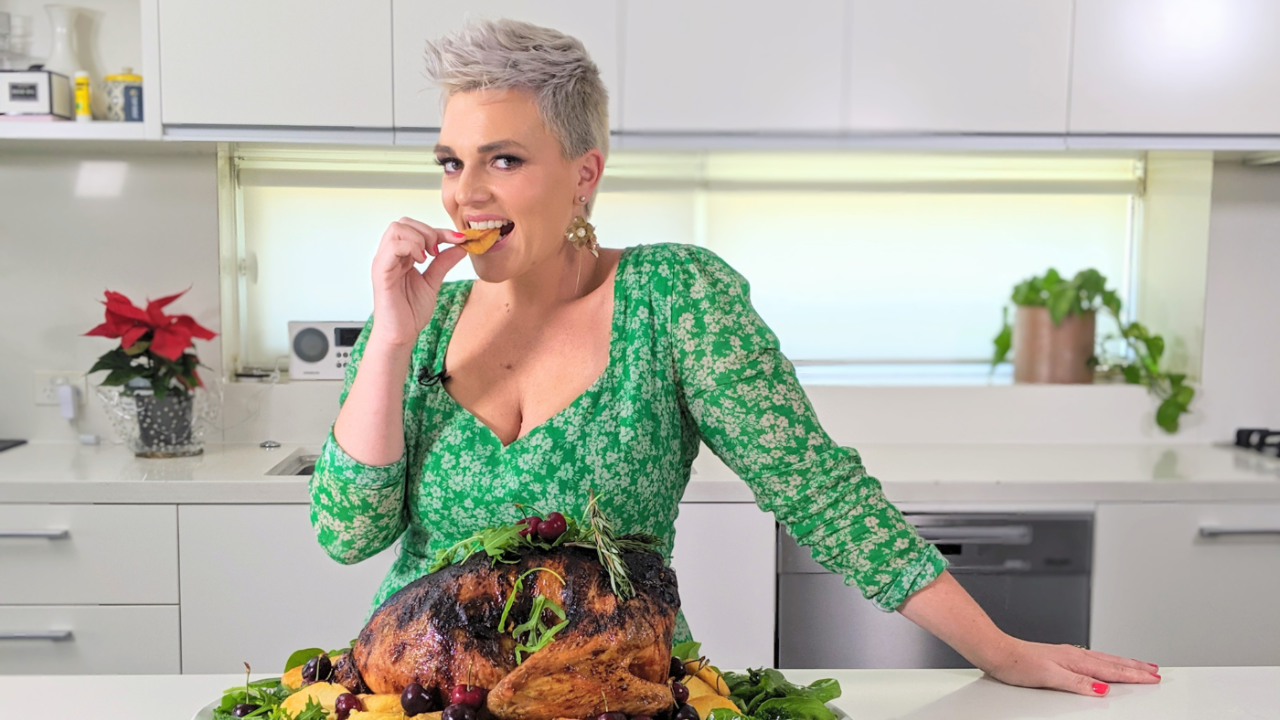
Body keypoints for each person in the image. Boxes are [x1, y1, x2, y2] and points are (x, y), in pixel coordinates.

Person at [310, 18, 1160, 698]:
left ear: (583, 175)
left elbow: (817, 487)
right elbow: (348, 535)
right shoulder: (423, 319)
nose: (466, 193)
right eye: (452, 163)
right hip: (413, 692)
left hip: (619, 694)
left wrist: (998, 650)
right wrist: (389, 340)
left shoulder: (671, 297)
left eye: (504, 159)